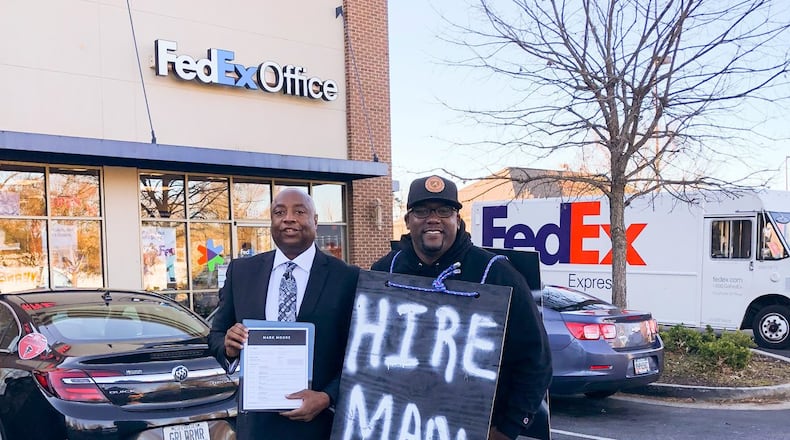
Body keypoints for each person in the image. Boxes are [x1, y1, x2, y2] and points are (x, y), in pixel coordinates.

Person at [371, 175, 552, 440]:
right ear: (408, 220)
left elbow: (537, 361)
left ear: (457, 218)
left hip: (474, 429)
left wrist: (508, 428)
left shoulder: (496, 274)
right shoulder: (383, 272)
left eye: (444, 210)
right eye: (421, 210)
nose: (433, 219)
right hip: (396, 426)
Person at [209, 188, 360, 440]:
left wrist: (327, 397)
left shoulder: (346, 277)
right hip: (257, 427)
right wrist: (228, 347)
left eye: (299, 211)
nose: (288, 218)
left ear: (315, 221)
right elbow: (216, 334)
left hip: (320, 426)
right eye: (279, 212)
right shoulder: (242, 272)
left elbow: (358, 353)